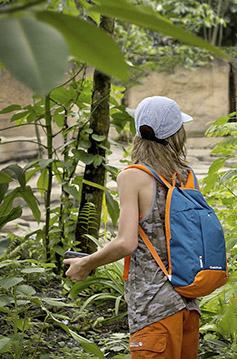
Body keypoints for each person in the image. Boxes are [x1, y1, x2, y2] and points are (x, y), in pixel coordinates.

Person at [64, 96, 200, 358]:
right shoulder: (187, 175)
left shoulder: (133, 177)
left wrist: (87, 263)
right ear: (176, 134)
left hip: (153, 310)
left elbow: (126, 242)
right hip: (188, 304)